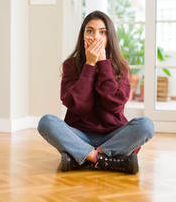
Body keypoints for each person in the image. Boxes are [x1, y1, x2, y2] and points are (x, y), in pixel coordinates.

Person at [37, 10, 154, 174]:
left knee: (146, 125)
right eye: (90, 31)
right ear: (83, 35)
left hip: (113, 135)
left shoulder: (121, 66)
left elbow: (113, 105)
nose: (96, 37)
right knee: (46, 122)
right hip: (79, 135)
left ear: (109, 37)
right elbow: (79, 106)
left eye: (102, 32)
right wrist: (90, 65)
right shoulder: (70, 65)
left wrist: (103, 64)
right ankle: (107, 160)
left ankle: (82, 158)